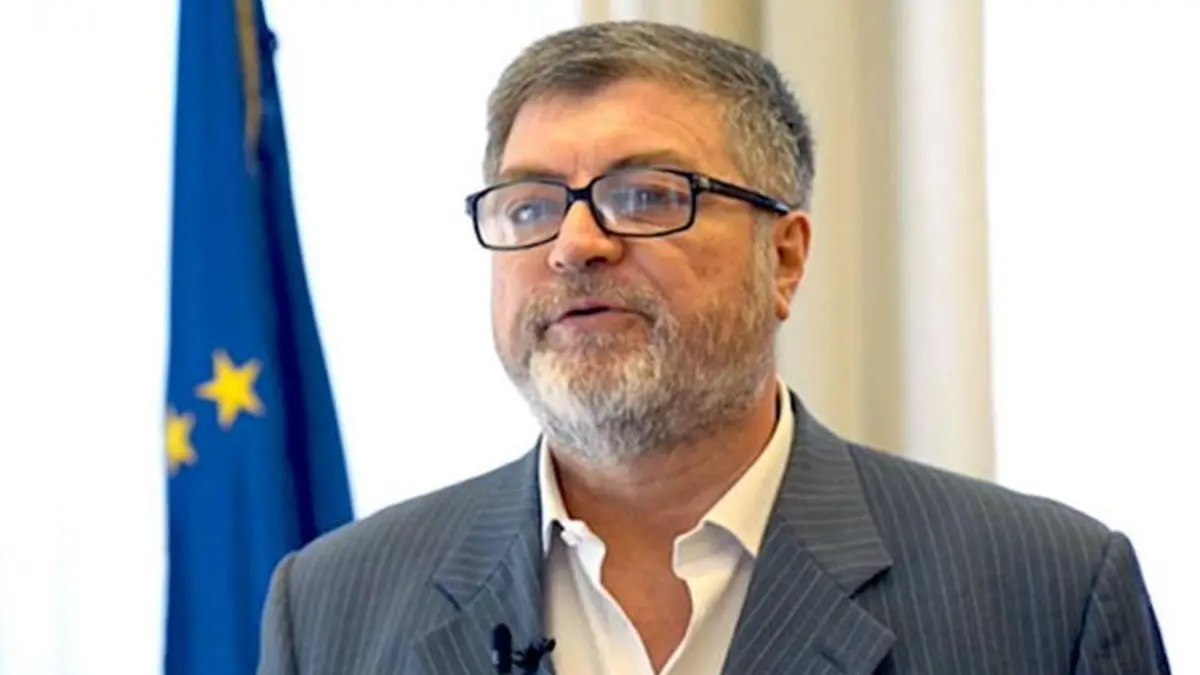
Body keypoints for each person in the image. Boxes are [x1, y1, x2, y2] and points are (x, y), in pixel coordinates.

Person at [257, 20, 1171, 675]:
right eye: (529, 206)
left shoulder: (1046, 591)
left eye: (647, 196)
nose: (575, 244)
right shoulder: (332, 605)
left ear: (784, 258)